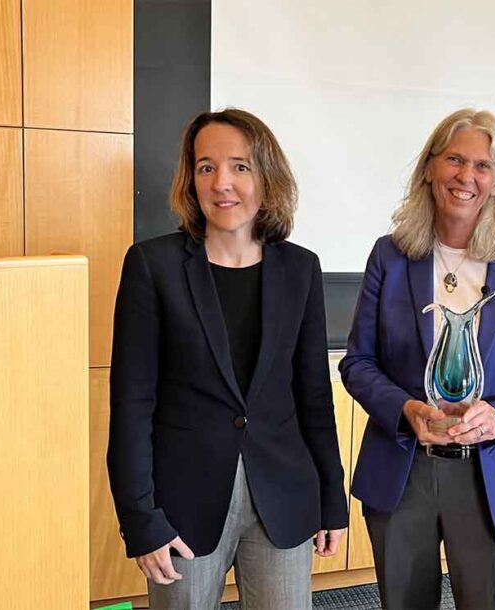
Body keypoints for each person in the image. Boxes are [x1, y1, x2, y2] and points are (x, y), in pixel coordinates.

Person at [107, 108, 348, 609]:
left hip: (283, 497)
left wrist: (332, 498)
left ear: (266, 177)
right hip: (181, 508)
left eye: (240, 166)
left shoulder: (301, 269)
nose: (223, 183)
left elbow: (313, 397)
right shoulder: (153, 266)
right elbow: (131, 405)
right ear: (190, 179)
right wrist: (141, 520)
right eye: (206, 167)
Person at [339, 108, 495, 609]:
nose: (467, 176)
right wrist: (405, 409)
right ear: (429, 167)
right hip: (404, 471)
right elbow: (358, 363)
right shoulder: (390, 257)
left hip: (493, 479)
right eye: (455, 160)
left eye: (483, 166)